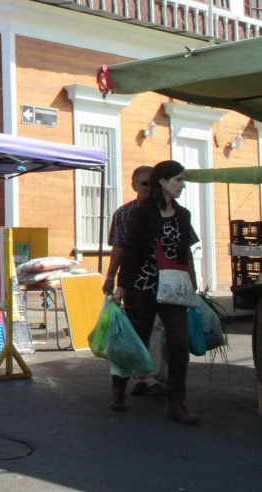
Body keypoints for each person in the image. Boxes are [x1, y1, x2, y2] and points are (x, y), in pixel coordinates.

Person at [112, 159, 199, 425]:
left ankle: (177, 403)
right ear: (163, 182)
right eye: (178, 180)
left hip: (173, 287)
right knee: (136, 340)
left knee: (178, 343)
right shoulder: (142, 213)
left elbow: (185, 252)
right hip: (143, 286)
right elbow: (131, 251)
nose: (182, 185)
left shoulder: (183, 215)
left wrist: (192, 281)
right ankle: (118, 390)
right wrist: (121, 286)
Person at [103, 165, 164, 398]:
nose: (149, 189)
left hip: (163, 279)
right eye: (144, 184)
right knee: (136, 329)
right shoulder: (124, 213)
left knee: (159, 328)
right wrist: (110, 277)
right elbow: (118, 249)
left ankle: (153, 378)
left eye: (152, 184)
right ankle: (135, 378)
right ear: (134, 186)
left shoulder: (167, 210)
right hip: (134, 281)